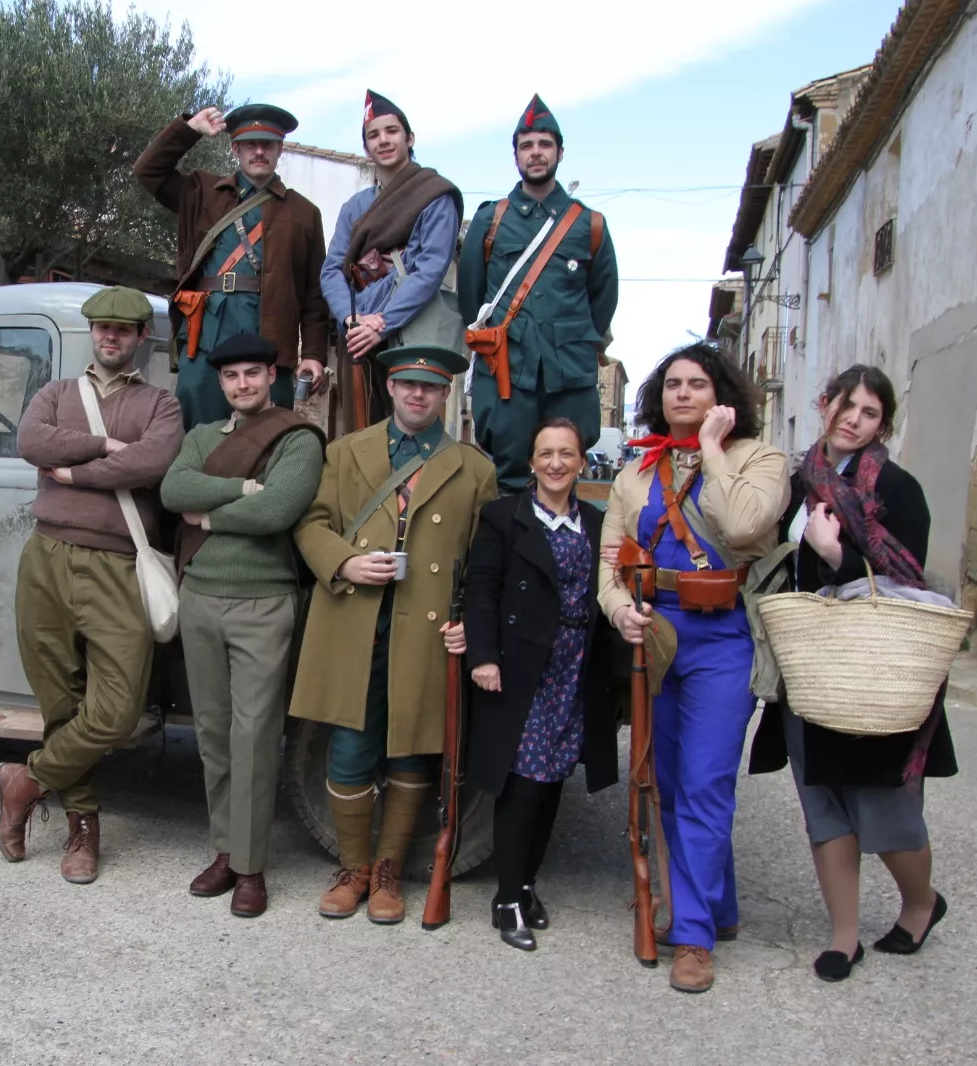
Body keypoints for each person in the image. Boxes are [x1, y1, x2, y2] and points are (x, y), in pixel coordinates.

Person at [749, 365, 956, 982]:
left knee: (884, 805)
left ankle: (921, 905)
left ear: (882, 424)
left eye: (869, 413)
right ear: (826, 403)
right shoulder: (794, 481)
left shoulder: (898, 487)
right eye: (847, 405)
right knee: (823, 806)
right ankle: (844, 936)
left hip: (872, 666)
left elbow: (909, 580)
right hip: (808, 665)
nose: (854, 419)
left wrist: (838, 554)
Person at [599, 342, 788, 994]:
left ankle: (693, 936)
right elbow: (610, 563)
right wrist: (620, 608)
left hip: (723, 637)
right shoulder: (636, 473)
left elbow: (742, 526)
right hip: (657, 637)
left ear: (721, 395)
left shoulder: (758, 460)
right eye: (674, 383)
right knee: (670, 783)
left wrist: (711, 449)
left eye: (698, 384)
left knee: (706, 782)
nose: (683, 393)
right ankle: (717, 906)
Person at [290, 344, 498, 925]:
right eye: (408, 385)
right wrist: (343, 562)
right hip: (355, 620)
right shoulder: (344, 452)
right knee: (351, 746)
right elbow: (311, 523)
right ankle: (353, 870)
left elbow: (485, 563)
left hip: (427, 633)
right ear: (391, 388)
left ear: (444, 394)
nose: (417, 395)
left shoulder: (475, 469)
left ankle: (387, 873)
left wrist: (470, 623)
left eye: (430, 388)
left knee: (411, 752)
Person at [0, 286, 184, 885]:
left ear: (140, 339)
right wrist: (103, 444)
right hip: (45, 557)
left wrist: (73, 472)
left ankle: (22, 781)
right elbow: (30, 443)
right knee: (59, 701)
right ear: (91, 334)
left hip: (116, 564)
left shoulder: (162, 404)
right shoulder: (53, 393)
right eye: (102, 328)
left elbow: (151, 462)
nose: (111, 337)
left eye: (123, 330)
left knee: (117, 709)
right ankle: (83, 827)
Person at [159, 332, 325, 918]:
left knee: (254, 737)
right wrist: (239, 489)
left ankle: (252, 867)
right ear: (222, 383)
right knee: (213, 733)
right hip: (200, 597)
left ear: (272, 376)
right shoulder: (204, 436)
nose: (243, 385)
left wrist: (206, 515)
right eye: (232, 377)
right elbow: (173, 488)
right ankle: (225, 850)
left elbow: (278, 509)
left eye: (253, 373)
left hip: (263, 602)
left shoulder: (297, 437)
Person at [462, 417, 620, 951]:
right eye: (546, 453)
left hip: (576, 665)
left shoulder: (596, 523)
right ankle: (506, 897)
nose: (556, 463)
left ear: (581, 462)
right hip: (523, 666)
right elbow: (480, 589)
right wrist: (482, 655)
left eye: (566, 454)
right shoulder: (504, 517)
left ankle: (526, 884)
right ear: (531, 462)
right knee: (523, 783)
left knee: (553, 780)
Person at [134, 103, 332, 429]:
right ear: (235, 148)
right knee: (195, 430)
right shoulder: (201, 191)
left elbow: (314, 294)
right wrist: (189, 130)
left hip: (271, 340)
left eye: (267, 144)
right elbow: (148, 172)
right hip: (206, 334)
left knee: (268, 434)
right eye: (250, 144)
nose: (258, 151)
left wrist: (313, 353)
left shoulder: (304, 212)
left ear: (279, 149)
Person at [456, 95, 619, 491]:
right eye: (526, 146)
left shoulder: (589, 224)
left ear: (560, 152)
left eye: (544, 144)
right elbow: (471, 297)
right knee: (508, 476)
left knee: (564, 473)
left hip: (569, 375)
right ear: (515, 156)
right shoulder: (491, 220)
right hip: (507, 371)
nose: (536, 153)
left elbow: (603, 299)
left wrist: (575, 339)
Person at [321, 90, 463, 427]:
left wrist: (382, 322)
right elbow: (331, 272)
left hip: (411, 329)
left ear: (409, 138)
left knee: (412, 426)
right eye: (374, 135)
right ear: (366, 147)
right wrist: (350, 321)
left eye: (392, 131)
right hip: (357, 335)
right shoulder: (353, 207)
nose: (383, 140)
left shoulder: (434, 195)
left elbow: (428, 271)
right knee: (360, 431)